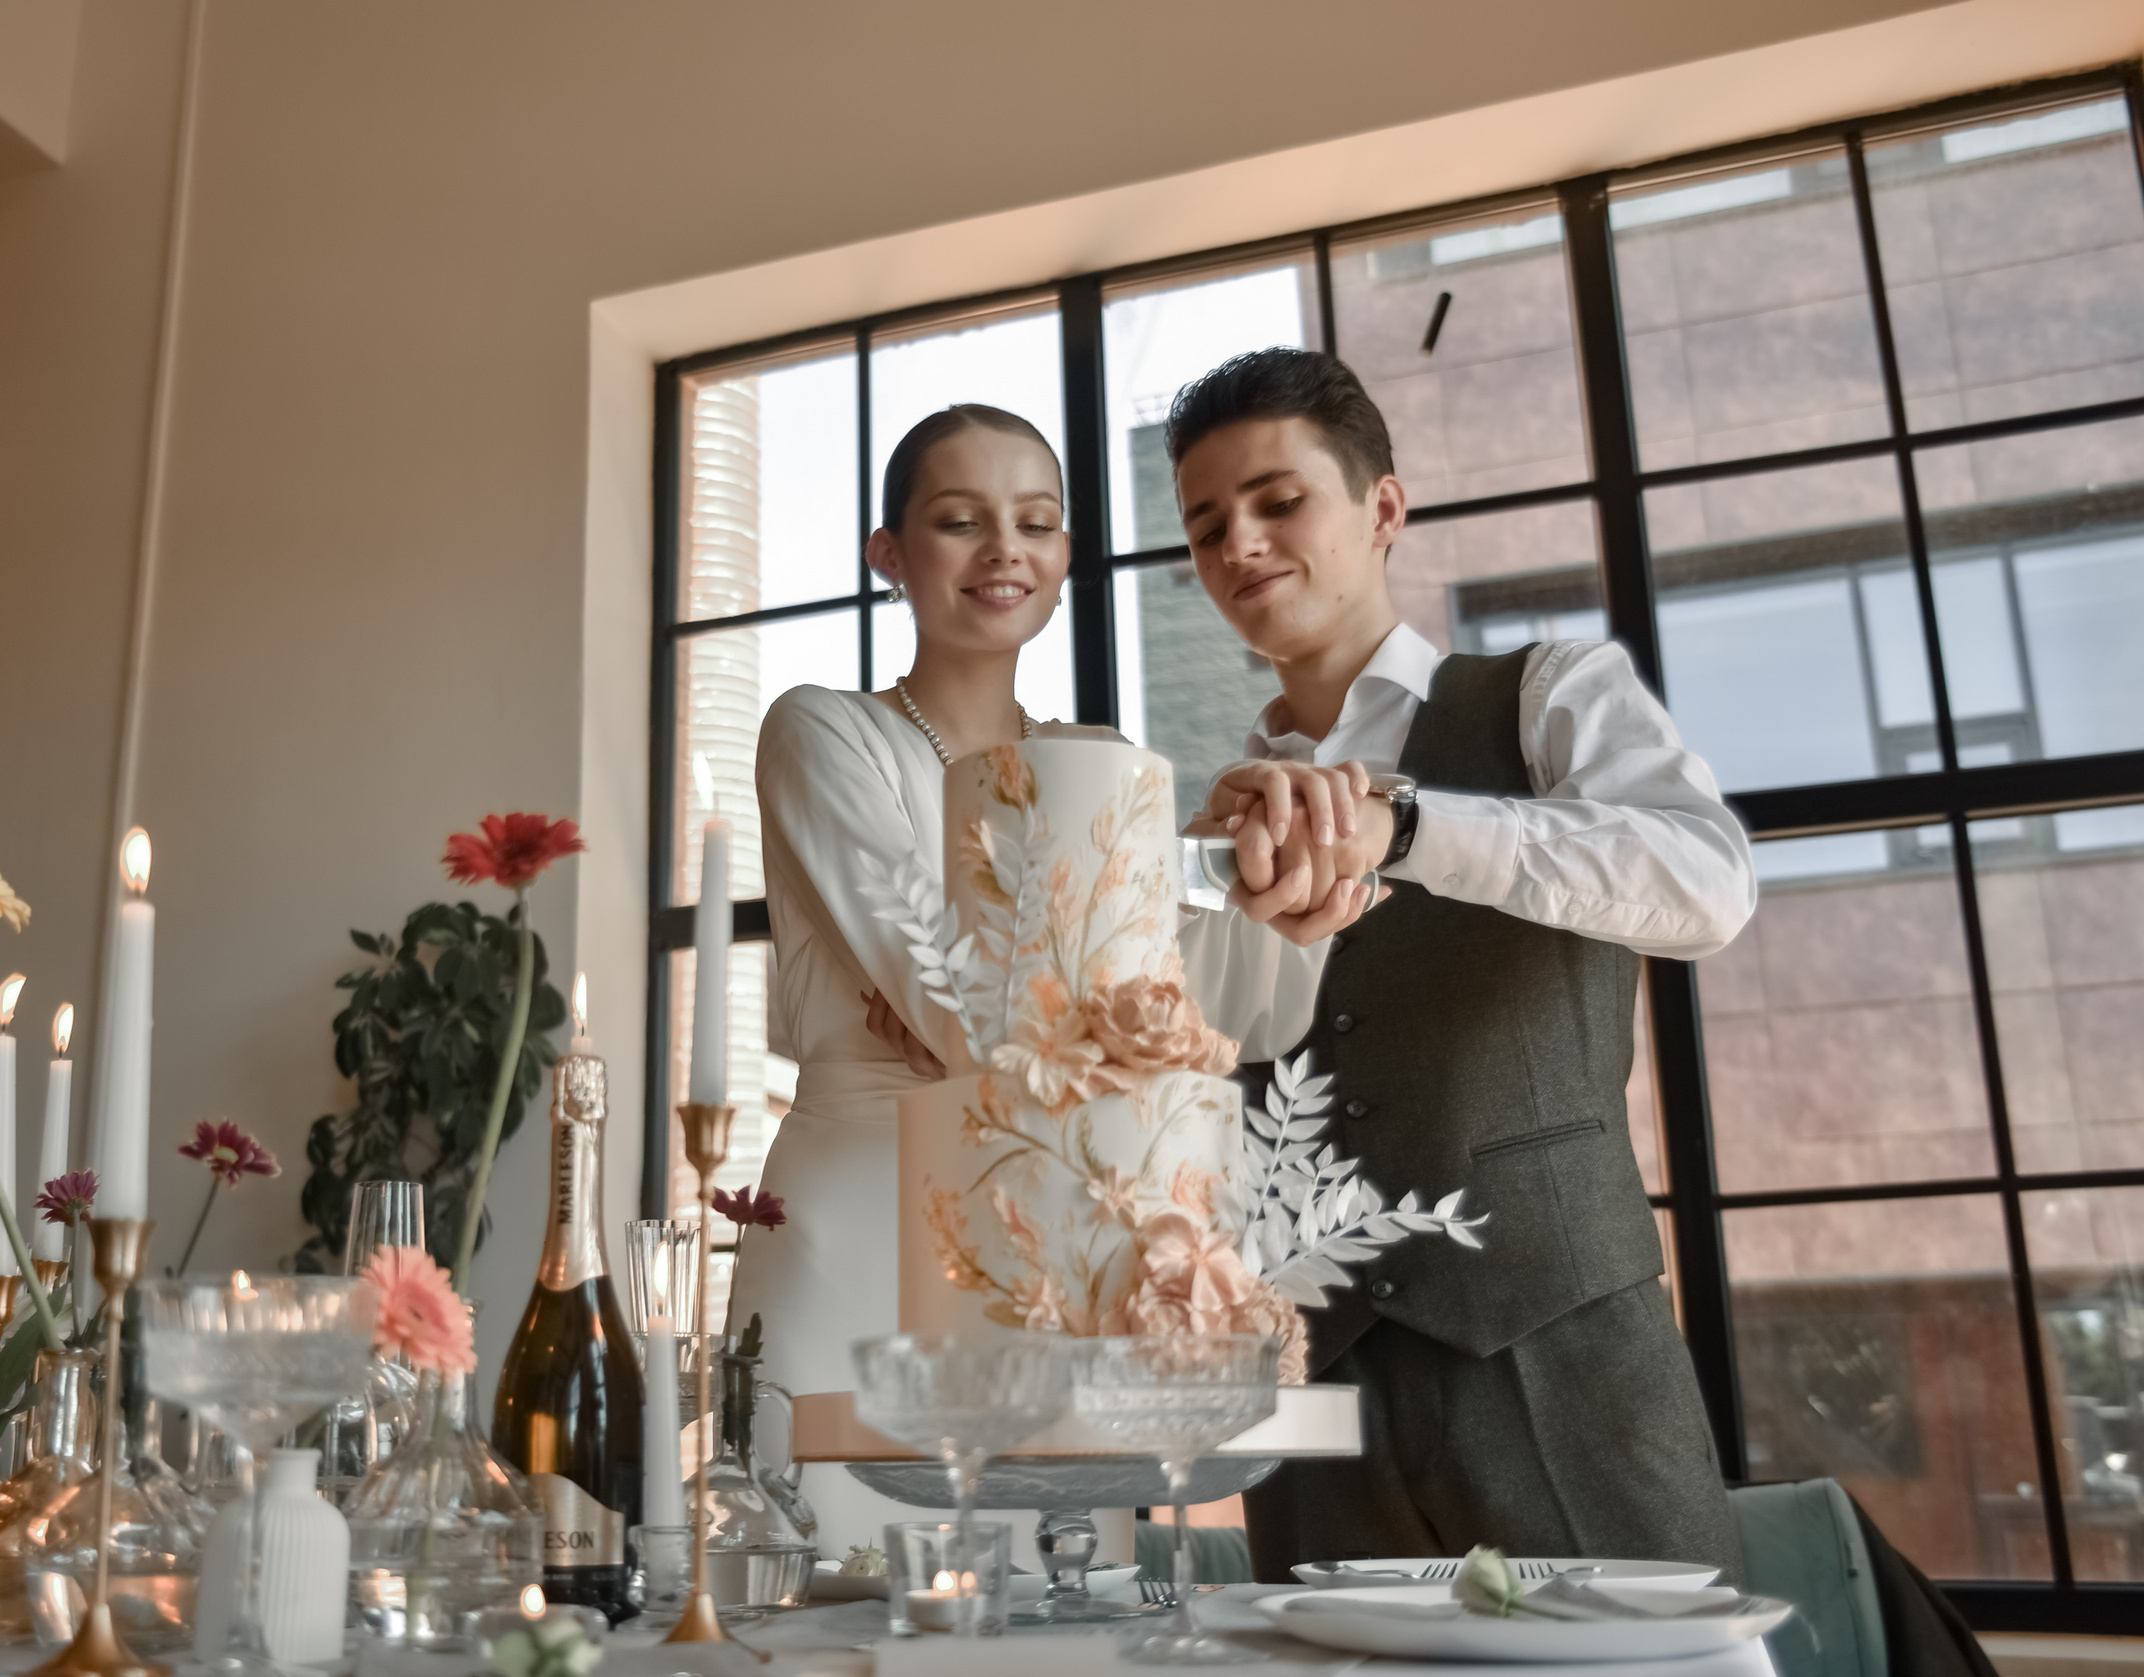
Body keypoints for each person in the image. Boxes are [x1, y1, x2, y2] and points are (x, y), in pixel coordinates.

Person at [732, 402, 1373, 1553]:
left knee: (1057, 1604)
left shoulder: (1101, 769)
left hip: (1049, 1236)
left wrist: (1260, 875)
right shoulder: (824, 732)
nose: (1003, 552)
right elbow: (957, 1001)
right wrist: (1096, 990)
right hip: (853, 1217)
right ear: (889, 552)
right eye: (958, 520)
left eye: (1035, 522)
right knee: (823, 1591)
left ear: (1066, 553)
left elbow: (1234, 1016)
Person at [1167, 347, 1754, 1578]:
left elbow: (1706, 882)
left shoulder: (1544, 693)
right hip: (1303, 1368)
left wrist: (1409, 822)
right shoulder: (1210, 822)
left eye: (1279, 500)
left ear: (1382, 508)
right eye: (1207, 522)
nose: (1241, 544)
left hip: (1556, 1336)